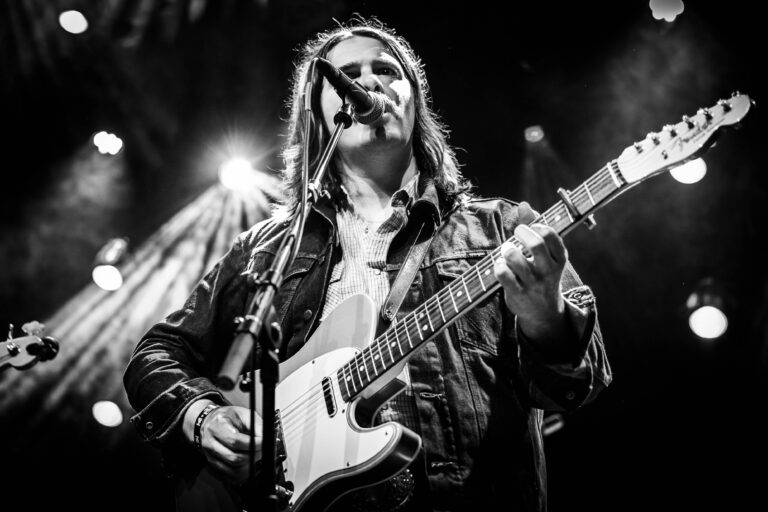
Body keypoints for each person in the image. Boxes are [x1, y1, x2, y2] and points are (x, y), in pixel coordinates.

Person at [124, 17, 612, 512]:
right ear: (318, 113)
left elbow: (580, 384)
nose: (367, 80)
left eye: (386, 68)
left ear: (415, 101)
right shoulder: (267, 249)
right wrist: (203, 418)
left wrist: (546, 315)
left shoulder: (501, 229)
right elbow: (157, 354)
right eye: (346, 73)